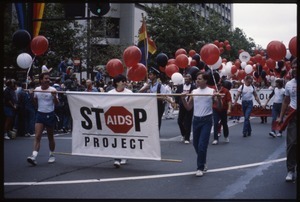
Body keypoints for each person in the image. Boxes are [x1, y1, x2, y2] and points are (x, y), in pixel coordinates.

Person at [181, 72, 222, 177]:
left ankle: (200, 167)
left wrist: (219, 98)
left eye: (199, 79)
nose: (197, 80)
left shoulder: (211, 91)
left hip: (207, 120)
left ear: (205, 81)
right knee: (195, 144)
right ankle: (203, 161)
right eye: (197, 79)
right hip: (196, 120)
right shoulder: (194, 92)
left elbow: (219, 106)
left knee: (202, 145)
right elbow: (188, 107)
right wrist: (182, 99)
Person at [27, 72, 59, 166]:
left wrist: (54, 96)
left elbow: (57, 103)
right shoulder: (37, 90)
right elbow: (35, 102)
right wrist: (32, 95)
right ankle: (33, 156)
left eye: (48, 78)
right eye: (46, 78)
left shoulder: (53, 89)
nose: (48, 80)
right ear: (41, 80)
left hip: (50, 114)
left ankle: (52, 155)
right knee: (37, 136)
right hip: (40, 114)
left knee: (50, 137)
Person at [277, 59, 297, 182]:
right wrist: (280, 116)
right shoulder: (289, 84)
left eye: (296, 66)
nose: (294, 69)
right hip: (294, 115)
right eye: (293, 66)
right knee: (292, 143)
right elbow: (286, 101)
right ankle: (290, 170)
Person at [107, 74, 133, 168]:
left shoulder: (129, 93)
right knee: (115, 138)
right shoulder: (110, 93)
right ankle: (117, 158)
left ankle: (124, 156)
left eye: (125, 81)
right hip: (113, 119)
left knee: (124, 138)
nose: (125, 83)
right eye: (123, 81)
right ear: (117, 83)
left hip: (126, 119)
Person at [139, 66, 173, 131]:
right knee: (151, 119)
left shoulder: (160, 86)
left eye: (151, 75)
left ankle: (157, 132)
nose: (149, 76)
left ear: (155, 76)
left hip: (159, 105)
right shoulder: (149, 85)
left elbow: (164, 97)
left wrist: (154, 97)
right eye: (149, 75)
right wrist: (146, 87)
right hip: (152, 104)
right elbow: (140, 91)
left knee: (157, 119)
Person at [175, 74, 196, 144]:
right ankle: (183, 133)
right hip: (182, 105)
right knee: (179, 121)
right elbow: (177, 95)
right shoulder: (180, 86)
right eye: (185, 79)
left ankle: (187, 138)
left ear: (190, 80)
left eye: (188, 79)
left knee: (188, 122)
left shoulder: (193, 87)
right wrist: (176, 103)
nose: (186, 80)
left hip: (190, 105)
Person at [211, 76, 232, 145]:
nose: (218, 84)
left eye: (219, 83)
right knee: (216, 123)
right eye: (217, 83)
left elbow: (229, 101)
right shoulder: (213, 90)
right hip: (215, 109)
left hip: (223, 109)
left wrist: (229, 109)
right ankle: (215, 138)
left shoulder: (226, 91)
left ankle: (226, 136)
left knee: (224, 123)